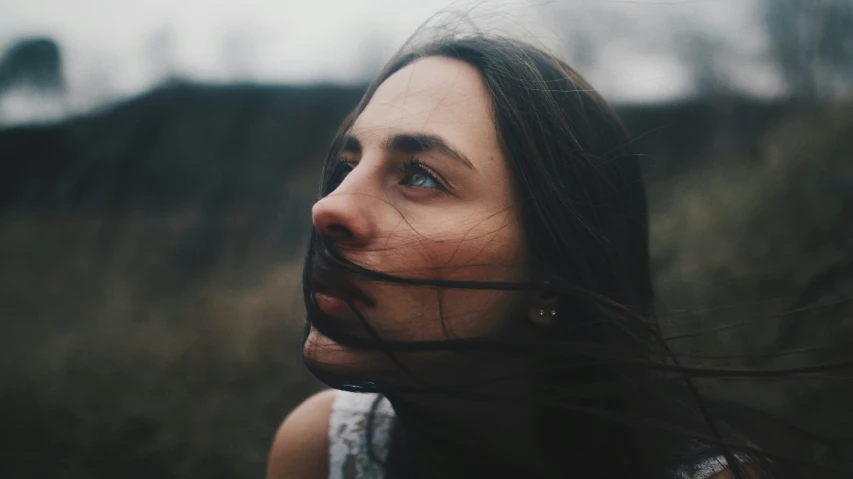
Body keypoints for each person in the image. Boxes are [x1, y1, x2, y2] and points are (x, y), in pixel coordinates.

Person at [266, 33, 788, 479]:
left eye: (420, 175)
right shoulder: (324, 453)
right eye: (346, 165)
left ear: (548, 275)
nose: (328, 207)